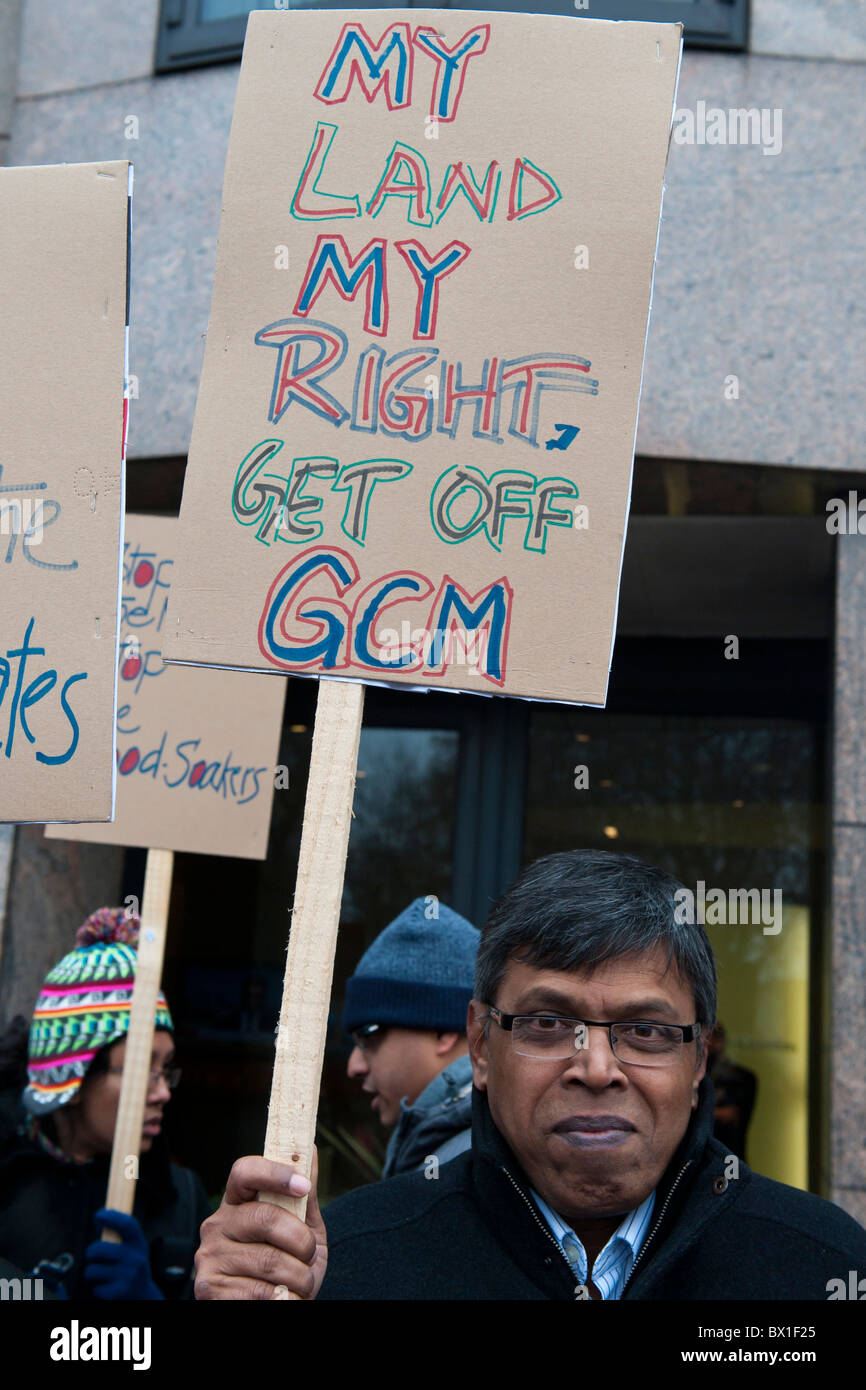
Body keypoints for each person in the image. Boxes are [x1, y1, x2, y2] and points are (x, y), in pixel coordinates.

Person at [194, 850, 866, 1301]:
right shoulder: (343, 1267)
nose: (597, 1069)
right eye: (547, 1024)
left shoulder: (822, 1267)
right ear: (481, 1046)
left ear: (699, 1062)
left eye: (647, 1031)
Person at [0, 907, 211, 1299]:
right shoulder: (8, 1178)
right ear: (72, 1078)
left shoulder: (181, 1199)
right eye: (140, 1069)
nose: (163, 1092)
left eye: (165, 1069)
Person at [343, 897, 479, 1176]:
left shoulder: (468, 1166)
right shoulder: (460, 1147)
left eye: (368, 1038)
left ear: (444, 1033)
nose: (353, 1066)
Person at [707, 1022, 757, 1162]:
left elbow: (731, 1114)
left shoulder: (742, 1078)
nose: (709, 1044)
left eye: (713, 1038)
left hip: (730, 1156)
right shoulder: (693, 1076)